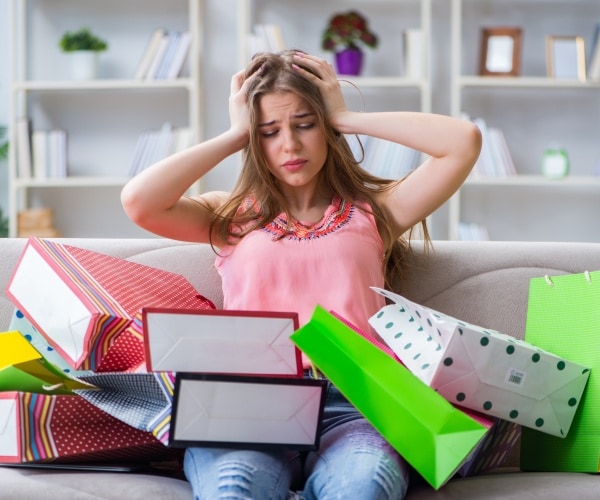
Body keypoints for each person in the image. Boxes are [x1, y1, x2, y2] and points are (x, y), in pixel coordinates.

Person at [121, 50, 481, 500]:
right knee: (233, 489)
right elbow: (139, 201)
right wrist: (237, 133)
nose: (289, 145)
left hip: (357, 405)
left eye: (305, 124)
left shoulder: (376, 212)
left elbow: (462, 141)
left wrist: (345, 117)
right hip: (246, 404)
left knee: (365, 486)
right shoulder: (229, 216)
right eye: (269, 132)